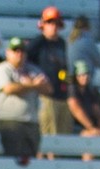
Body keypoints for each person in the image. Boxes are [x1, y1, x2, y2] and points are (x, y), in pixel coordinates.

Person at [0, 36, 46, 163]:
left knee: (31, 160)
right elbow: (8, 89)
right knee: (13, 159)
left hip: (31, 121)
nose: (19, 54)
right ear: (8, 52)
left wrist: (29, 85)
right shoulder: (3, 69)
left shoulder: (32, 69)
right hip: (11, 121)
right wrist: (31, 85)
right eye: (15, 50)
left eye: (22, 51)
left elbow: (48, 87)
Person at [28, 4, 73, 135]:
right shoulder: (37, 42)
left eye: (56, 23)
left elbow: (64, 69)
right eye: (49, 22)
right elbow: (25, 63)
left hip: (62, 95)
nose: (53, 26)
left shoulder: (62, 43)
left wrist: (68, 83)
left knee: (64, 134)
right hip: (45, 96)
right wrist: (35, 80)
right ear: (42, 24)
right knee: (49, 133)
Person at [67, 58, 100, 134]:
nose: (85, 77)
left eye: (87, 74)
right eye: (82, 75)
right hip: (75, 128)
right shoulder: (72, 90)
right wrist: (91, 128)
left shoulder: (91, 92)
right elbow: (75, 107)